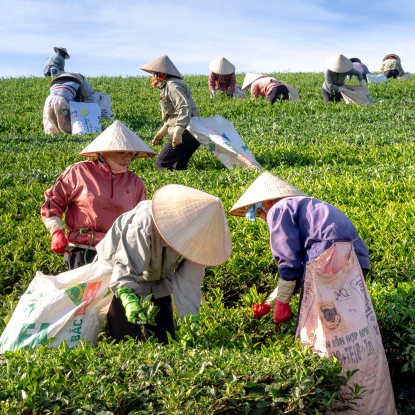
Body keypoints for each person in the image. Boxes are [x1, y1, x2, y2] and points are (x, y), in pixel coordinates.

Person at [229, 172, 370, 326]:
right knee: (348, 314)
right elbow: (297, 274)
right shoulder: (306, 205)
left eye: (258, 211)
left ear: (268, 202)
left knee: (312, 318)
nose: (262, 216)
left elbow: (289, 264)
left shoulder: (278, 210)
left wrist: (282, 305)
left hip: (328, 251)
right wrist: (269, 304)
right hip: (357, 254)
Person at [94, 184, 231, 343]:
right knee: (126, 339)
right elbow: (125, 263)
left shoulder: (199, 242)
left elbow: (189, 283)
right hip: (118, 276)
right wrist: (128, 297)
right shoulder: (143, 221)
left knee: (164, 340)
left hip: (158, 279)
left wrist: (191, 321)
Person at [41, 120, 155, 269]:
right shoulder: (79, 172)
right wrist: (56, 231)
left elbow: (142, 218)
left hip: (119, 251)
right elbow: (53, 201)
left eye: (130, 153)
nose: (127, 157)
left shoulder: (135, 182)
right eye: (121, 152)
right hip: (83, 248)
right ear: (105, 151)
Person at [139, 55, 201, 171]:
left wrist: (178, 132)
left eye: (154, 74)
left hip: (188, 129)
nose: (152, 77)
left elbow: (183, 107)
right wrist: (163, 131)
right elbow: (173, 114)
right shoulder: (169, 85)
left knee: (162, 163)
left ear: (159, 73)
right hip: (191, 130)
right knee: (177, 165)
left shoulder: (172, 85)